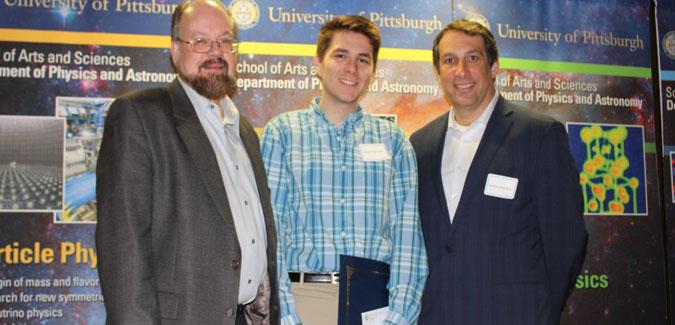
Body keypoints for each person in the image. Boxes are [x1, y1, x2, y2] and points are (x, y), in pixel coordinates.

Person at [95, 0, 279, 323]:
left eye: (225, 41)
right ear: (175, 51)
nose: (215, 51)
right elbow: (124, 251)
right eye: (200, 41)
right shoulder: (139, 116)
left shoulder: (245, 132)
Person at [409, 19, 588, 324]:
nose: (461, 71)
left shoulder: (539, 136)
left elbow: (566, 242)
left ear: (494, 67)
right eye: (449, 61)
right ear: (438, 73)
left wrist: (540, 313)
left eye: (473, 58)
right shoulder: (419, 144)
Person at [260, 15, 427, 325]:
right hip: (304, 302)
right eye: (341, 56)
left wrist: (398, 318)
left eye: (363, 60)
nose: (352, 69)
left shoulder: (394, 141)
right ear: (318, 62)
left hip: (375, 305)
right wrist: (285, 315)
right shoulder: (282, 134)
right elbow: (272, 236)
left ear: (374, 71)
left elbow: (408, 240)